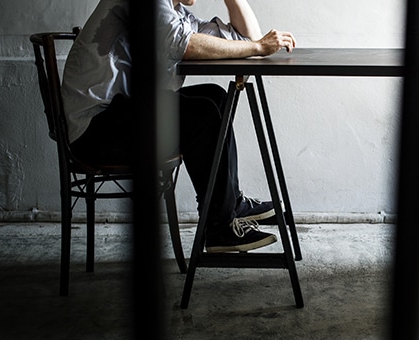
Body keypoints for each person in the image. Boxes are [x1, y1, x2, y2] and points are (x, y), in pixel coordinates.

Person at [62, 0, 296, 252]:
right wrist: (259, 46)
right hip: (97, 131)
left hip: (123, 116)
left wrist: (250, 33)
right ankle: (218, 227)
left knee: (215, 97)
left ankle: (231, 205)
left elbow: (243, 40)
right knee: (202, 113)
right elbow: (185, 44)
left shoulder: (177, 14)